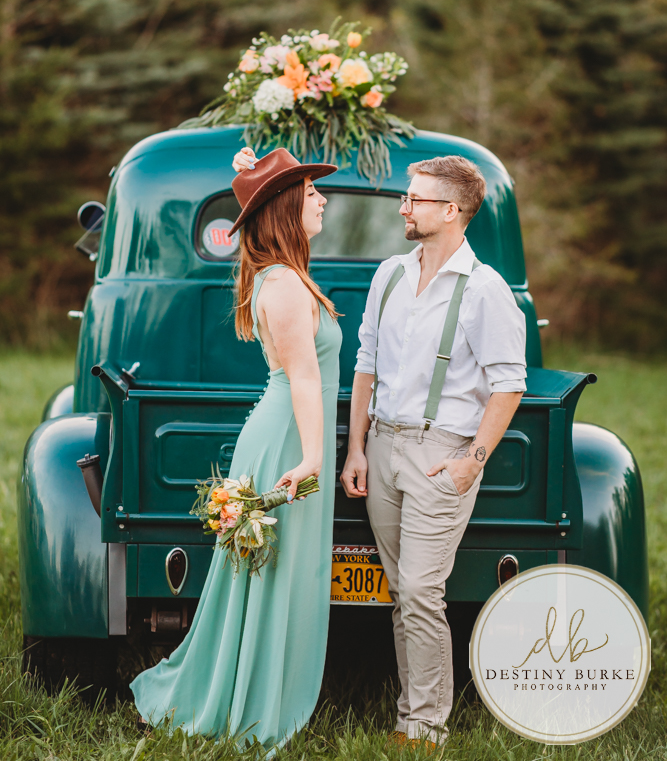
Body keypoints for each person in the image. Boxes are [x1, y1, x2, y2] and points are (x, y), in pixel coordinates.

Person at [131, 146, 342, 751]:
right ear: (284, 207)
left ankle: (261, 688)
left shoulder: (289, 276)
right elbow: (303, 378)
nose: (322, 198)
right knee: (270, 576)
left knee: (283, 576)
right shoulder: (280, 284)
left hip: (294, 436)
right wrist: (313, 457)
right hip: (287, 444)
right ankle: (241, 698)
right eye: (311, 191)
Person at [340, 155, 526, 750]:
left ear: (451, 211)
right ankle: (411, 713)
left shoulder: (486, 290)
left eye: (415, 200)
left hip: (440, 454)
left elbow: (509, 382)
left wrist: (472, 459)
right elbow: (365, 365)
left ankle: (424, 727)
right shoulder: (389, 274)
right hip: (384, 446)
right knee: (402, 590)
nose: (404, 208)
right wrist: (356, 449)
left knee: (421, 590)